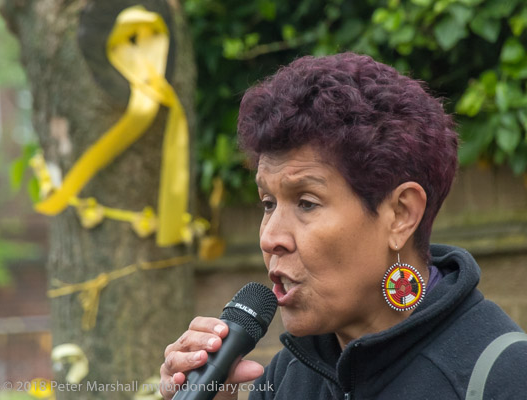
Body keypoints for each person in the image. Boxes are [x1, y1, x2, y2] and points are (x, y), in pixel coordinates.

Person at [159, 53, 527, 400]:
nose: (270, 238)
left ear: (401, 214)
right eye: (268, 203)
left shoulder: (504, 376)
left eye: (306, 202)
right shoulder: (286, 377)